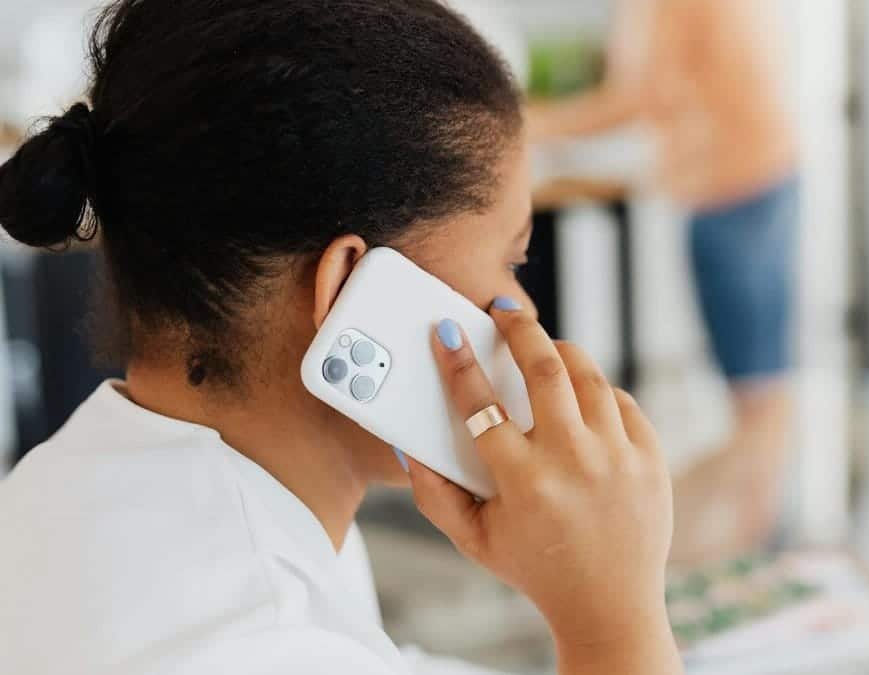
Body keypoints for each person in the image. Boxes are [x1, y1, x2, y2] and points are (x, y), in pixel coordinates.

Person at [0, 2, 682, 675]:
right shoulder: (254, 634)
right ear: (351, 292)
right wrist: (613, 625)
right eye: (511, 261)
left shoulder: (85, 486)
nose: (526, 310)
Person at [527, 0, 801, 561]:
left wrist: (534, 123)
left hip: (738, 186)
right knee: (753, 394)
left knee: (758, 396)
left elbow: (647, 94)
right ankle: (749, 555)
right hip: (732, 184)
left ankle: (753, 563)